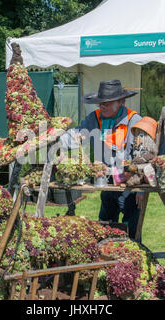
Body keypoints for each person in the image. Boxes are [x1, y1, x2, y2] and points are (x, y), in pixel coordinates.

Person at [59, 80, 144, 239]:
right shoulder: (94, 119)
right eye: (100, 103)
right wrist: (53, 137)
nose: (102, 107)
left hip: (131, 189)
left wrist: (142, 188)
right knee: (104, 230)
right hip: (106, 185)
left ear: (121, 102)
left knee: (132, 235)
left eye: (107, 103)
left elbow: (143, 157)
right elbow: (76, 135)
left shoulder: (135, 121)